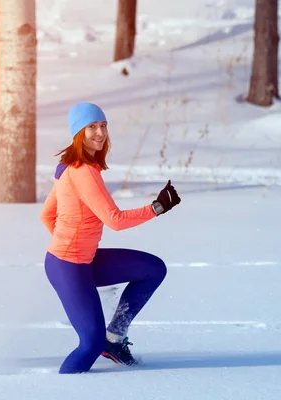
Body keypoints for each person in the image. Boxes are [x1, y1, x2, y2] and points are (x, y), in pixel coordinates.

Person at [40, 102, 181, 374]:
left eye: (103, 125)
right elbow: (114, 220)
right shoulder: (82, 172)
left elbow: (46, 216)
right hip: (68, 266)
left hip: (83, 260)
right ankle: (63, 388)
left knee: (153, 269)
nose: (99, 132)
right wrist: (157, 208)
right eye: (91, 126)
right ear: (78, 133)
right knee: (91, 345)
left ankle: (115, 338)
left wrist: (74, 243)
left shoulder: (69, 167)